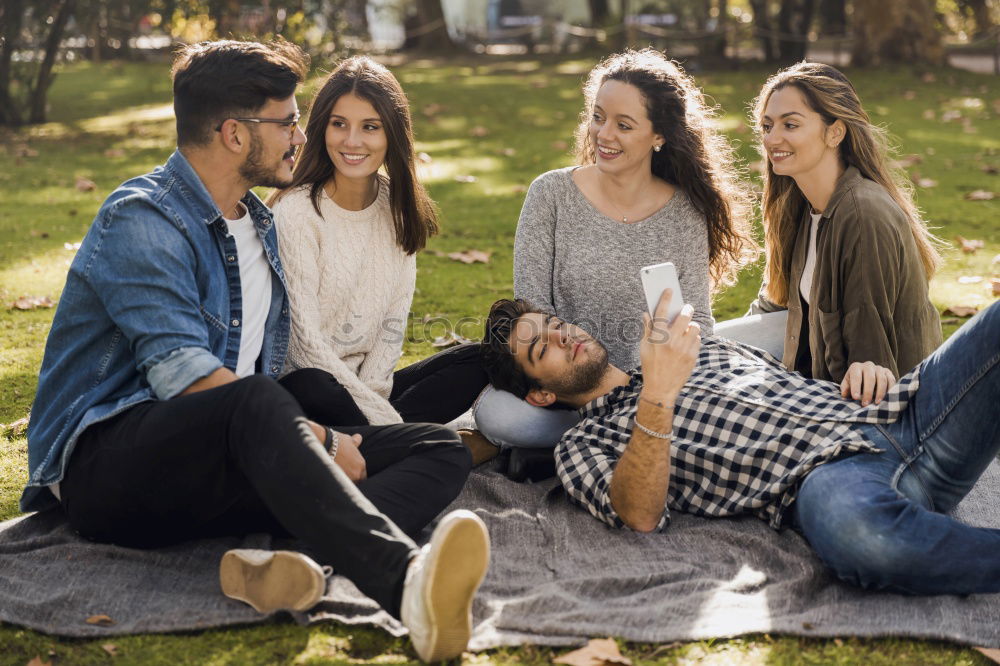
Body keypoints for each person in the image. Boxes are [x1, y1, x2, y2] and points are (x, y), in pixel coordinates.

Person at [22, 40, 488, 662]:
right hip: (109, 471)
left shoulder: (258, 224)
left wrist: (312, 439)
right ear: (236, 135)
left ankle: (294, 565)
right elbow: (186, 379)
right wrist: (319, 441)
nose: (303, 135)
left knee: (433, 446)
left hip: (226, 457)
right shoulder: (141, 220)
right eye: (289, 121)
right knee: (260, 401)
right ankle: (407, 587)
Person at [479, 292, 1000, 595]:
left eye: (555, 323)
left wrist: (863, 371)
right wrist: (658, 390)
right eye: (541, 346)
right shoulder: (583, 444)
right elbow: (638, 513)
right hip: (826, 481)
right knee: (860, 539)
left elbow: (801, 381)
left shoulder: (701, 348)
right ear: (542, 394)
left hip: (897, 416)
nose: (563, 335)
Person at [474, 48, 757, 452]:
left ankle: (619, 437)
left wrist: (654, 390)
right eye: (598, 117)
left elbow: (698, 324)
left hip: (661, 390)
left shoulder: (685, 212)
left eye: (623, 125)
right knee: (498, 414)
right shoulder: (550, 195)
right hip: (575, 395)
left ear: (659, 135)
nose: (604, 135)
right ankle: (618, 436)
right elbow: (532, 311)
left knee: (762, 346)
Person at [270, 56, 487, 428]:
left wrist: (375, 401)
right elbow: (301, 347)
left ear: (392, 134)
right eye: (339, 124)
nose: (352, 141)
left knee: (481, 358)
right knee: (314, 384)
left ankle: (371, 442)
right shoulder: (296, 213)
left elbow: (393, 321)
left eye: (370, 127)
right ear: (322, 127)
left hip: (367, 395)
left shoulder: (395, 206)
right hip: (308, 393)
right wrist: (389, 425)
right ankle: (388, 442)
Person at [723, 61, 942, 385]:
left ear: (835, 132)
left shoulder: (863, 216)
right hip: (819, 388)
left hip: (888, 412)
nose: (772, 139)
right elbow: (773, 308)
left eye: (791, 125)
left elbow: (871, 366)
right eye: (767, 126)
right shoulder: (800, 207)